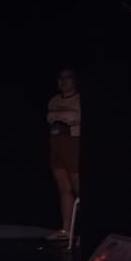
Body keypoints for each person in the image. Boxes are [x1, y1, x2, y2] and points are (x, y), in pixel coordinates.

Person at [46, 67, 81, 242]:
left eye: (68, 78)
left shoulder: (79, 100)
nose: (63, 81)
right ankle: (66, 230)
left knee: (78, 188)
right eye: (60, 78)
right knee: (64, 189)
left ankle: (83, 230)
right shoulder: (53, 100)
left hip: (73, 143)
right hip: (56, 144)